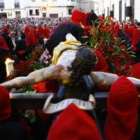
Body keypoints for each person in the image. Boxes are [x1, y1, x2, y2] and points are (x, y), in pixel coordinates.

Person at [1, 33, 140, 90]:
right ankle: (69, 33)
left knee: (70, 36)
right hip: (66, 49)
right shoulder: (60, 70)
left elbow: (27, 79)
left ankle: (69, 33)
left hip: (72, 48)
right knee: (70, 36)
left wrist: (3, 86)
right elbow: (123, 79)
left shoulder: (59, 71)